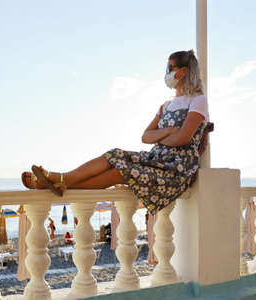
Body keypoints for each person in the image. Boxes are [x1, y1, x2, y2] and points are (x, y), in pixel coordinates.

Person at [21, 50, 209, 215]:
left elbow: (183, 138)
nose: (167, 73)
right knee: (113, 154)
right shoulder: (166, 105)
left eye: (170, 68)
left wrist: (162, 136)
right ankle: (62, 178)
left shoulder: (198, 100)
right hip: (156, 158)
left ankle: (58, 181)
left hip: (177, 167)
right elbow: (146, 137)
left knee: (119, 172)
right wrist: (169, 131)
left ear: (183, 72)